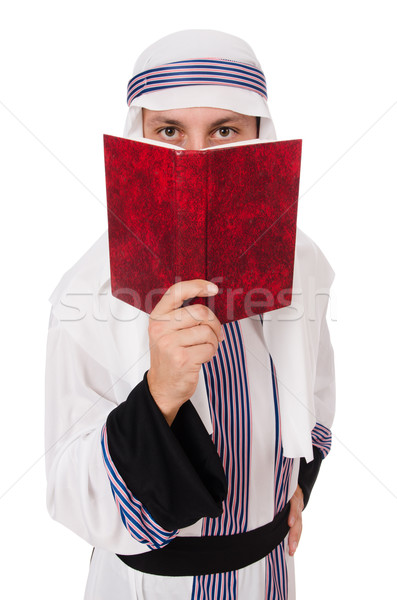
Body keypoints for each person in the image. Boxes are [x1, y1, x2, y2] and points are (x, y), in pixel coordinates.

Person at [45, 29, 335, 600]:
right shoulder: (87, 289)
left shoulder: (303, 266)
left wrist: (297, 483)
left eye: (225, 130)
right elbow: (66, 488)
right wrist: (161, 392)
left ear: (258, 140)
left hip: (270, 574)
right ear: (142, 139)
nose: (196, 157)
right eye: (170, 131)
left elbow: (317, 389)